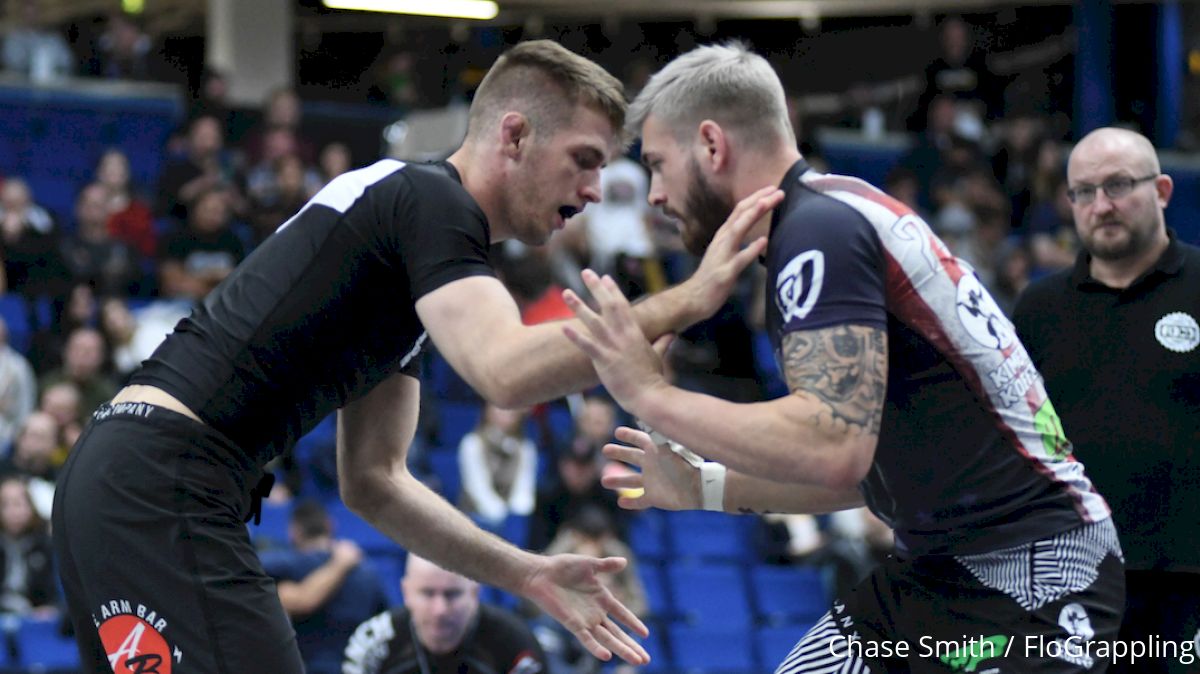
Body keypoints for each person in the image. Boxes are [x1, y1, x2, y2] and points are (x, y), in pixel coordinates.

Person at [51, 39, 775, 673]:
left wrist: (526, 574)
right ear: (514, 136)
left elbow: (374, 482)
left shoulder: (405, 237)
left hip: (124, 481)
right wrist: (688, 298)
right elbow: (505, 373)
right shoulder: (434, 204)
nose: (593, 190)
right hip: (164, 484)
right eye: (583, 161)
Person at [563, 43, 1124, 673]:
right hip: (939, 568)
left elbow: (832, 444)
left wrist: (649, 394)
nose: (656, 195)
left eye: (659, 166)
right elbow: (862, 472)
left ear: (712, 146)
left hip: (1036, 572)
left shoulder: (818, 232)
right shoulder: (830, 212)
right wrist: (704, 485)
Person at [1012, 127, 1200, 674]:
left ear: (1162, 190)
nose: (1101, 205)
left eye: (1118, 186)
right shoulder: (1039, 309)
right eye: (1084, 192)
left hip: (1189, 586)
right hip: (1075, 584)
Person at [343, 553, 548, 674]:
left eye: (452, 594)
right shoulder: (373, 641)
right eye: (427, 593)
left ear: (474, 593)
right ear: (406, 592)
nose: (439, 610)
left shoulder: (514, 643)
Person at [260, 501, 388, 674]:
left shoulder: (282, 567)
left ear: (294, 532)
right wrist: (340, 563)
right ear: (330, 525)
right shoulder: (368, 572)